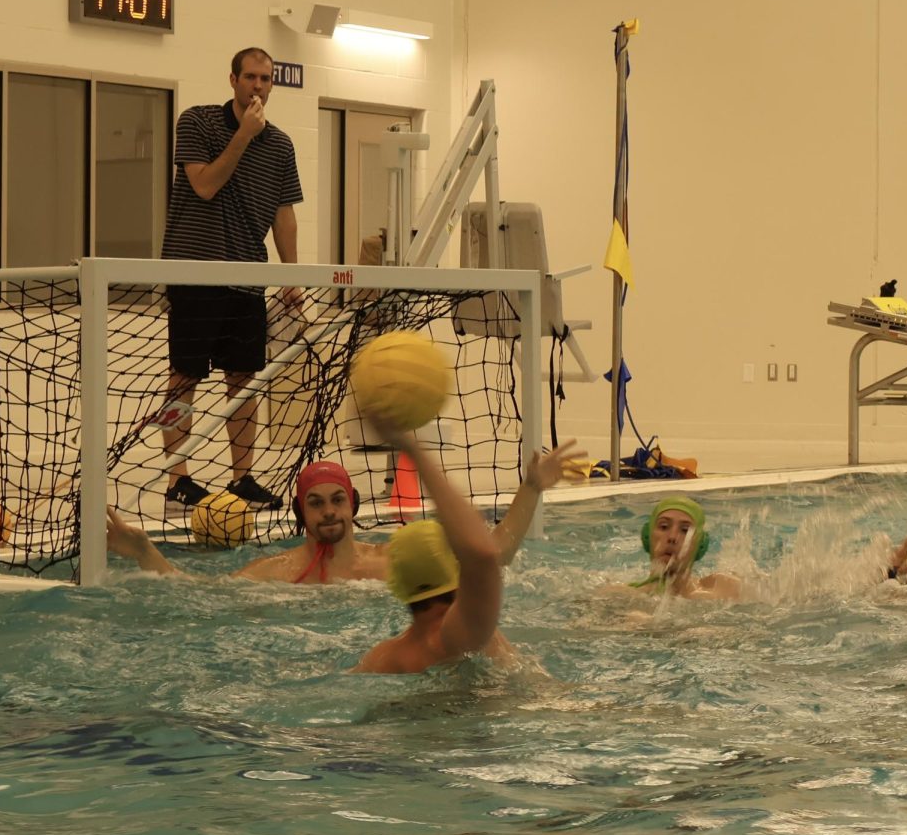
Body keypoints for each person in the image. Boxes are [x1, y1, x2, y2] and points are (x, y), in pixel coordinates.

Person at [159, 46, 305, 512]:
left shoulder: (281, 145)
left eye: (265, 79)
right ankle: (177, 480)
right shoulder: (197, 122)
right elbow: (205, 185)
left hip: (246, 276)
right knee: (185, 375)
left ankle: (242, 478)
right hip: (195, 270)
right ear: (233, 80)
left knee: (245, 379)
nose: (258, 86)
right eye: (250, 78)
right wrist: (243, 135)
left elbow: (284, 216)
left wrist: (292, 276)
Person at [106, 441, 582, 583]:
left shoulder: (391, 559)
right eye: (315, 503)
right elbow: (198, 596)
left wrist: (531, 488)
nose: (328, 512)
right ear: (300, 513)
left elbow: (491, 555)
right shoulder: (277, 572)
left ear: (353, 506)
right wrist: (144, 551)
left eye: (337, 501)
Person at [351, 416, 515, 674]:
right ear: (454, 567)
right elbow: (484, 556)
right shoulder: (464, 634)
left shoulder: (382, 659)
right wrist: (412, 448)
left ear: (397, 582)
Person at [628, 496, 741, 600]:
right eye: (664, 527)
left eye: (685, 530)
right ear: (647, 536)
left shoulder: (724, 588)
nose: (672, 537)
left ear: (700, 545)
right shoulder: (624, 595)